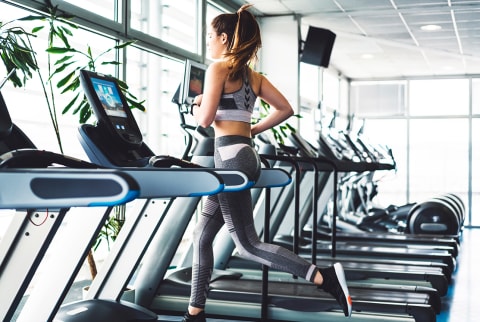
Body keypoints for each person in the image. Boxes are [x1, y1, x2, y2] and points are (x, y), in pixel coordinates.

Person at [183, 4, 352, 321]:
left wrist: (194, 104)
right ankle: (195, 311)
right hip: (242, 154)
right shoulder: (252, 76)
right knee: (202, 236)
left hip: (229, 160)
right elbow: (285, 108)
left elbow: (205, 119)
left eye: (210, 36)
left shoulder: (218, 68)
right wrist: (253, 128)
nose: (208, 42)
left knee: (247, 245)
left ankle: (323, 277)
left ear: (224, 37)